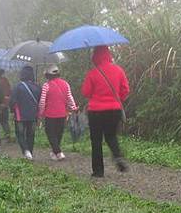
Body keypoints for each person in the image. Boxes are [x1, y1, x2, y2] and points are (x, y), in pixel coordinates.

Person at [81, 46, 130, 177]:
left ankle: (98, 171)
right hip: (114, 110)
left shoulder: (92, 73)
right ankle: (118, 156)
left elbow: (85, 92)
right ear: (109, 55)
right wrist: (116, 99)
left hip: (96, 111)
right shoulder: (119, 70)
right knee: (111, 136)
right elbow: (125, 89)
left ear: (95, 56)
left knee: (96, 141)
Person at [38, 65, 77, 161]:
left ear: (48, 75)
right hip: (63, 114)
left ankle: (58, 152)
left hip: (50, 114)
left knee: (50, 133)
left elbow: (42, 101)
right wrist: (73, 107)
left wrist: (40, 113)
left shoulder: (46, 85)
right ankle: (55, 152)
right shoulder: (66, 84)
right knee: (58, 133)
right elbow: (69, 97)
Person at [10, 66, 41, 160]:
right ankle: (30, 152)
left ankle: (25, 150)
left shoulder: (18, 86)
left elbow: (13, 101)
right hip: (33, 115)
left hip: (20, 116)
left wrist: (12, 111)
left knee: (20, 134)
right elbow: (40, 101)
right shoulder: (37, 87)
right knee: (31, 134)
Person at [0, 67, 12, 142]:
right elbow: (9, 91)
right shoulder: (5, 80)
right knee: (4, 121)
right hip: (5, 103)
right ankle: (7, 134)